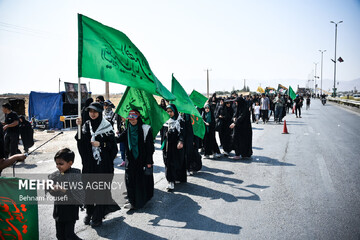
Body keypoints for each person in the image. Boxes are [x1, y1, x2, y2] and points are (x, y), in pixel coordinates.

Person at [75, 102, 120, 227]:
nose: (92, 114)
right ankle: (89, 212)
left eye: (95, 111)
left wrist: (102, 144)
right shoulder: (85, 125)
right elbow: (81, 143)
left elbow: (113, 148)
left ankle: (98, 216)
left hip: (103, 165)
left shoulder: (107, 126)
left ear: (100, 112)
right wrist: (78, 128)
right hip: (89, 164)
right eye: (90, 111)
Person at [117, 110, 154, 210]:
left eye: (134, 118)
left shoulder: (145, 129)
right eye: (130, 119)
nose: (132, 121)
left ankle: (140, 201)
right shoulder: (128, 129)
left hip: (141, 160)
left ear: (138, 118)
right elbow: (119, 139)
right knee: (130, 181)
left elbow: (150, 147)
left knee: (140, 181)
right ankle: (132, 201)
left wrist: (149, 162)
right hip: (130, 160)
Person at [47, 148, 84, 240]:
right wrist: (50, 189)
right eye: (57, 164)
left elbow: (78, 194)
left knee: (69, 236)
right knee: (60, 235)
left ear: (70, 163)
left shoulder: (76, 174)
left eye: (61, 164)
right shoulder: (54, 175)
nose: (58, 166)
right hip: (59, 210)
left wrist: (64, 190)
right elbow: (52, 194)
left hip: (70, 211)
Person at [162, 104, 186, 191]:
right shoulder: (165, 121)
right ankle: (170, 181)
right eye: (167, 111)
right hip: (167, 146)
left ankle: (177, 177)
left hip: (176, 146)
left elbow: (182, 133)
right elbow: (162, 134)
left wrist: (181, 141)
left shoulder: (180, 121)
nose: (169, 113)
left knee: (177, 162)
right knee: (168, 163)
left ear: (174, 111)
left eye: (171, 111)